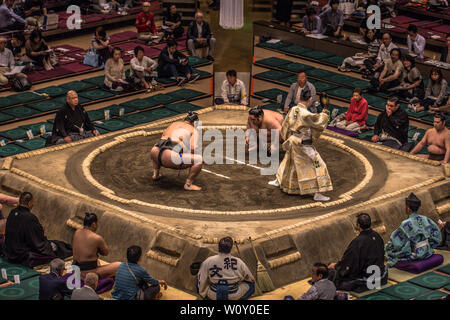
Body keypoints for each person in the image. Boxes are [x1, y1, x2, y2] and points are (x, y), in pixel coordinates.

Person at [269, 89, 333, 202]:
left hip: (293, 141)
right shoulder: (306, 114)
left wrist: (287, 137)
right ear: (310, 99)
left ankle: (279, 181)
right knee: (319, 165)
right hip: (303, 145)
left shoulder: (293, 109)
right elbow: (317, 121)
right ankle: (317, 193)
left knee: (289, 162)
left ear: (299, 98)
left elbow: (285, 124)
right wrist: (324, 114)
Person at [3, 192, 72, 268]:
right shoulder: (30, 217)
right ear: (29, 203)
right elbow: (37, 242)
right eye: (33, 202)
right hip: (21, 254)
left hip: (10, 250)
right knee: (58, 246)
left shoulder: (12, 212)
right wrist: (41, 231)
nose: (33, 204)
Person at [328, 213, 387, 291]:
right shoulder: (377, 236)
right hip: (381, 275)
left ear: (358, 225)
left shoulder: (357, 242)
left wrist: (337, 266)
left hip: (367, 279)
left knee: (333, 275)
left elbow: (349, 263)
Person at [150, 111, 203, 191]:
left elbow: (163, 137)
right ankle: (188, 185)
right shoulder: (193, 130)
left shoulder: (173, 124)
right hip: (169, 158)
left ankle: (155, 175)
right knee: (199, 159)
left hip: (154, 152)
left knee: (161, 146)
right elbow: (193, 148)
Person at [385, 193, 442, 268]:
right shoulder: (425, 219)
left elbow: (396, 243)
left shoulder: (405, 224)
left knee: (388, 249)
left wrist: (387, 248)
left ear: (408, 209)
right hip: (428, 252)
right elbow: (437, 237)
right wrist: (428, 246)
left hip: (416, 255)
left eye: (405, 206)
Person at [72, 213, 121, 280]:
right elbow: (106, 253)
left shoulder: (77, 232)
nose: (98, 225)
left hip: (75, 269)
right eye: (97, 223)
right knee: (119, 265)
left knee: (97, 261)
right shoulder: (97, 238)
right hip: (87, 274)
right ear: (93, 224)